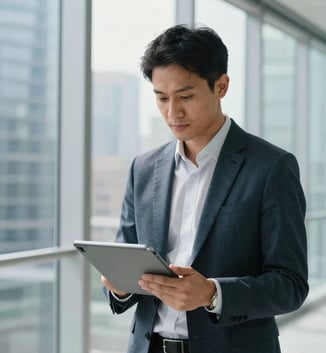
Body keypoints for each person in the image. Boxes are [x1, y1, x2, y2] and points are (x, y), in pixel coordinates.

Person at [101, 24, 308, 353]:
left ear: (221, 86)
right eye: (161, 98)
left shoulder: (271, 168)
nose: (173, 112)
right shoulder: (143, 169)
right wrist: (119, 288)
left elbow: (291, 285)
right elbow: (125, 266)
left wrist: (212, 293)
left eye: (185, 96)